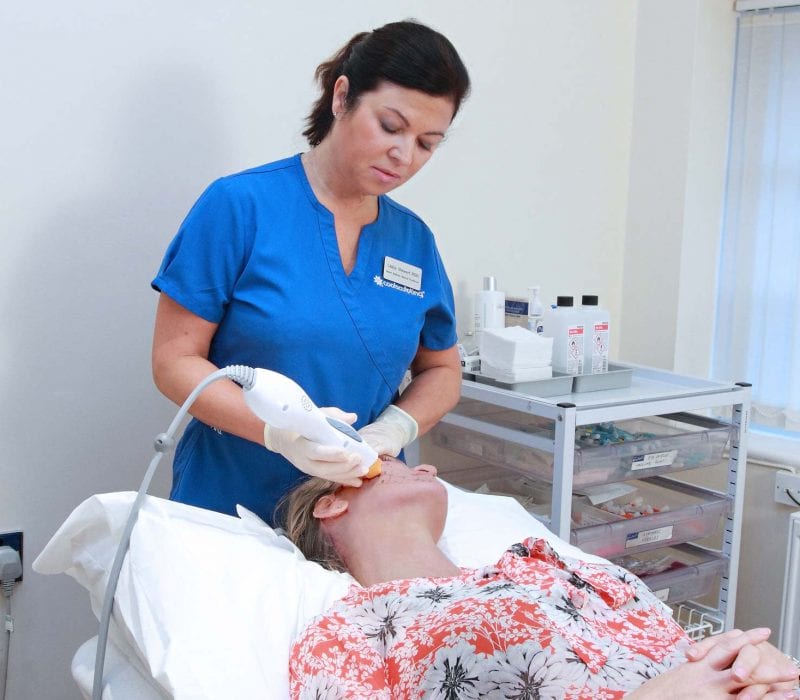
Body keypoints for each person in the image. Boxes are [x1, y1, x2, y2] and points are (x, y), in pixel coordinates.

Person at [150, 21, 470, 525]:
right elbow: (174, 361)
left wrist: (392, 431)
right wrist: (280, 435)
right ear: (342, 96)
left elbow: (443, 370)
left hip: (359, 511)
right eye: (390, 126)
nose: (404, 156)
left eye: (427, 143)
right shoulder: (239, 207)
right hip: (230, 499)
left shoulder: (414, 241)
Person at [280, 457, 800, 699]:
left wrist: (755, 664)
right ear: (331, 502)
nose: (430, 469)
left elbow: (684, 656)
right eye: (391, 462)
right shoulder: (349, 633)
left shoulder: (537, 561)